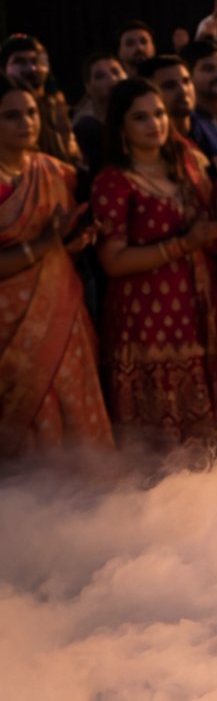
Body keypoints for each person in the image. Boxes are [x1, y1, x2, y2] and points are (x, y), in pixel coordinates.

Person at [93, 78, 217, 449]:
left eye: (158, 114)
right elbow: (113, 261)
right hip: (146, 321)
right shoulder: (113, 181)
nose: (154, 124)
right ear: (121, 127)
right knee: (159, 432)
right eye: (140, 117)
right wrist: (182, 245)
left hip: (199, 309)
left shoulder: (187, 164)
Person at [0, 76, 112, 456]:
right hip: (8, 329)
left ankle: (84, 502)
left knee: (73, 404)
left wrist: (71, 246)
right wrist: (42, 247)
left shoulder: (56, 172)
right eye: (11, 116)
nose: (25, 122)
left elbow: (62, 248)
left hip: (62, 317)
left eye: (31, 113)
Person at [3, 35, 80, 166]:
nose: (32, 68)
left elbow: (70, 155)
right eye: (19, 62)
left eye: (35, 61)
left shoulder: (56, 105)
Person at [70, 49, 126, 179]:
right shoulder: (86, 128)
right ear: (88, 87)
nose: (112, 79)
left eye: (116, 72)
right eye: (100, 76)